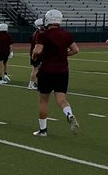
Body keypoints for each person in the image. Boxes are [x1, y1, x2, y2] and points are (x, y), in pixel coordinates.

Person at [30, 9, 81, 137]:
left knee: (43, 101)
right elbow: (75, 50)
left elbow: (37, 51)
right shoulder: (66, 34)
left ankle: (43, 130)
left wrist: (35, 57)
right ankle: (69, 114)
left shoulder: (43, 34)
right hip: (63, 71)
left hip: (47, 70)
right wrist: (63, 55)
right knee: (62, 99)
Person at [28, 16, 44, 90]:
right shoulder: (39, 33)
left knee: (38, 69)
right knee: (36, 69)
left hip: (34, 52)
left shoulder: (35, 33)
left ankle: (35, 83)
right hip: (37, 53)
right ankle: (31, 84)